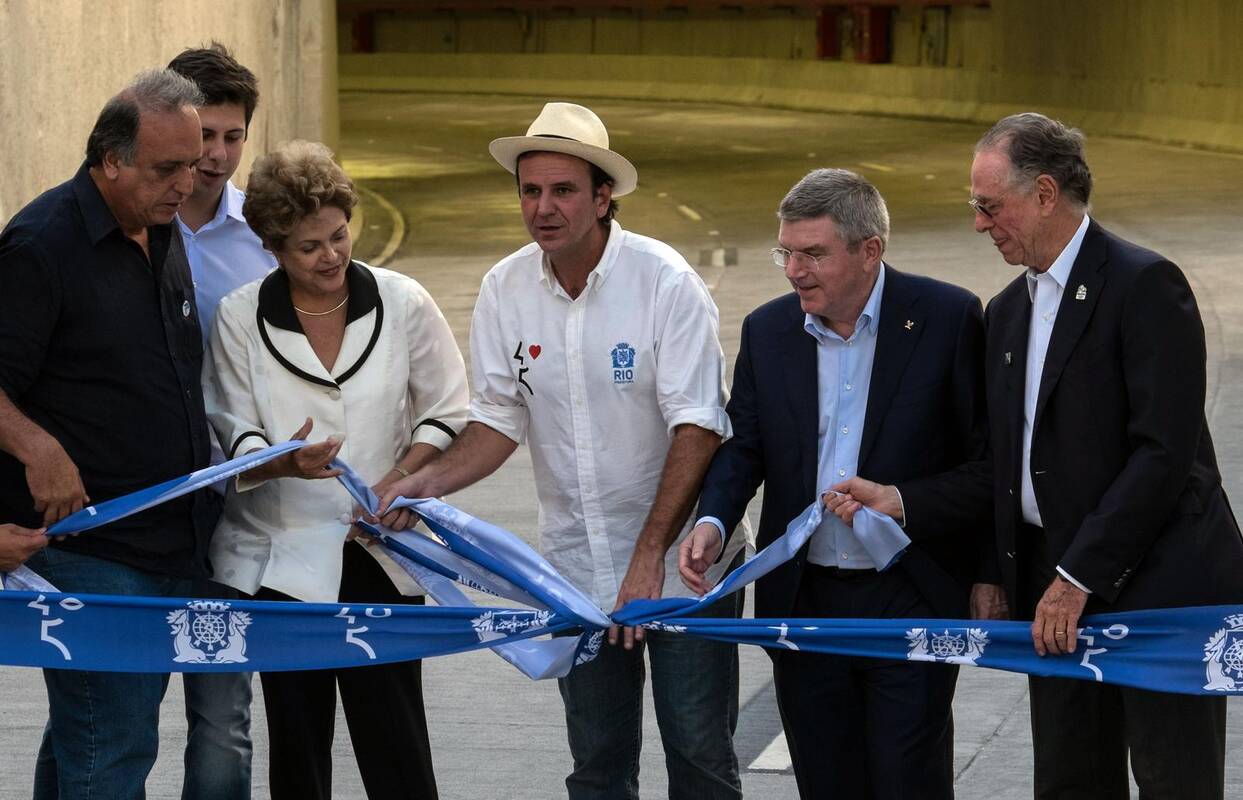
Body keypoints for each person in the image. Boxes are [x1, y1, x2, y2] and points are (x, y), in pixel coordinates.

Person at [835, 112, 1243, 799]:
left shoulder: (1144, 284)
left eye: (989, 206)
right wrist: (979, 559)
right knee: (1068, 780)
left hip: (1158, 588)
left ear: (1045, 194)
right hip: (1054, 588)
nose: (979, 223)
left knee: (1174, 782)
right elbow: (1002, 464)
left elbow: (1163, 456)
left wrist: (1077, 577)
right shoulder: (1006, 312)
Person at [378, 101, 744, 800]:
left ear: (603, 197)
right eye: (530, 191)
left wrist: (648, 555)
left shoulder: (664, 282)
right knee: (597, 764)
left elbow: (697, 427)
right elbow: (496, 420)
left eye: (564, 190)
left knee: (698, 757)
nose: (543, 208)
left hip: (681, 569)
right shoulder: (505, 288)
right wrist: (422, 484)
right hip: (577, 570)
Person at [679, 168, 989, 799]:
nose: (795, 271)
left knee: (909, 781)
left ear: (870, 250)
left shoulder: (948, 317)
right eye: (786, 253)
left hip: (910, 593)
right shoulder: (768, 331)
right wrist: (712, 521)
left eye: (813, 254)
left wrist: (982, 567)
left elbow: (986, 465)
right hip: (805, 600)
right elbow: (746, 447)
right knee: (826, 782)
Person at [202, 139, 467, 800]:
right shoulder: (238, 317)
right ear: (272, 247)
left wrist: (401, 480)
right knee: (297, 749)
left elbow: (447, 407)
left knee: (397, 747)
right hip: (281, 565)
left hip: (383, 549)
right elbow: (232, 427)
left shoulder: (404, 301)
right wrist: (281, 462)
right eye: (308, 246)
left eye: (339, 236)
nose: (330, 256)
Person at [0, 70, 213, 798]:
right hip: (93, 546)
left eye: (192, 165)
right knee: (114, 742)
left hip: (168, 534)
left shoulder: (160, 224)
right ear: (111, 160)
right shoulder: (41, 245)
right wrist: (38, 448)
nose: (186, 184)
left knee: (87, 733)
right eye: (167, 167)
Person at [168, 42, 275, 800]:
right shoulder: (132, 224)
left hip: (235, 500)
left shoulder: (266, 237)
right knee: (108, 703)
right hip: (139, 497)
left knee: (223, 711)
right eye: (204, 135)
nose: (217, 155)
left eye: (233, 137)